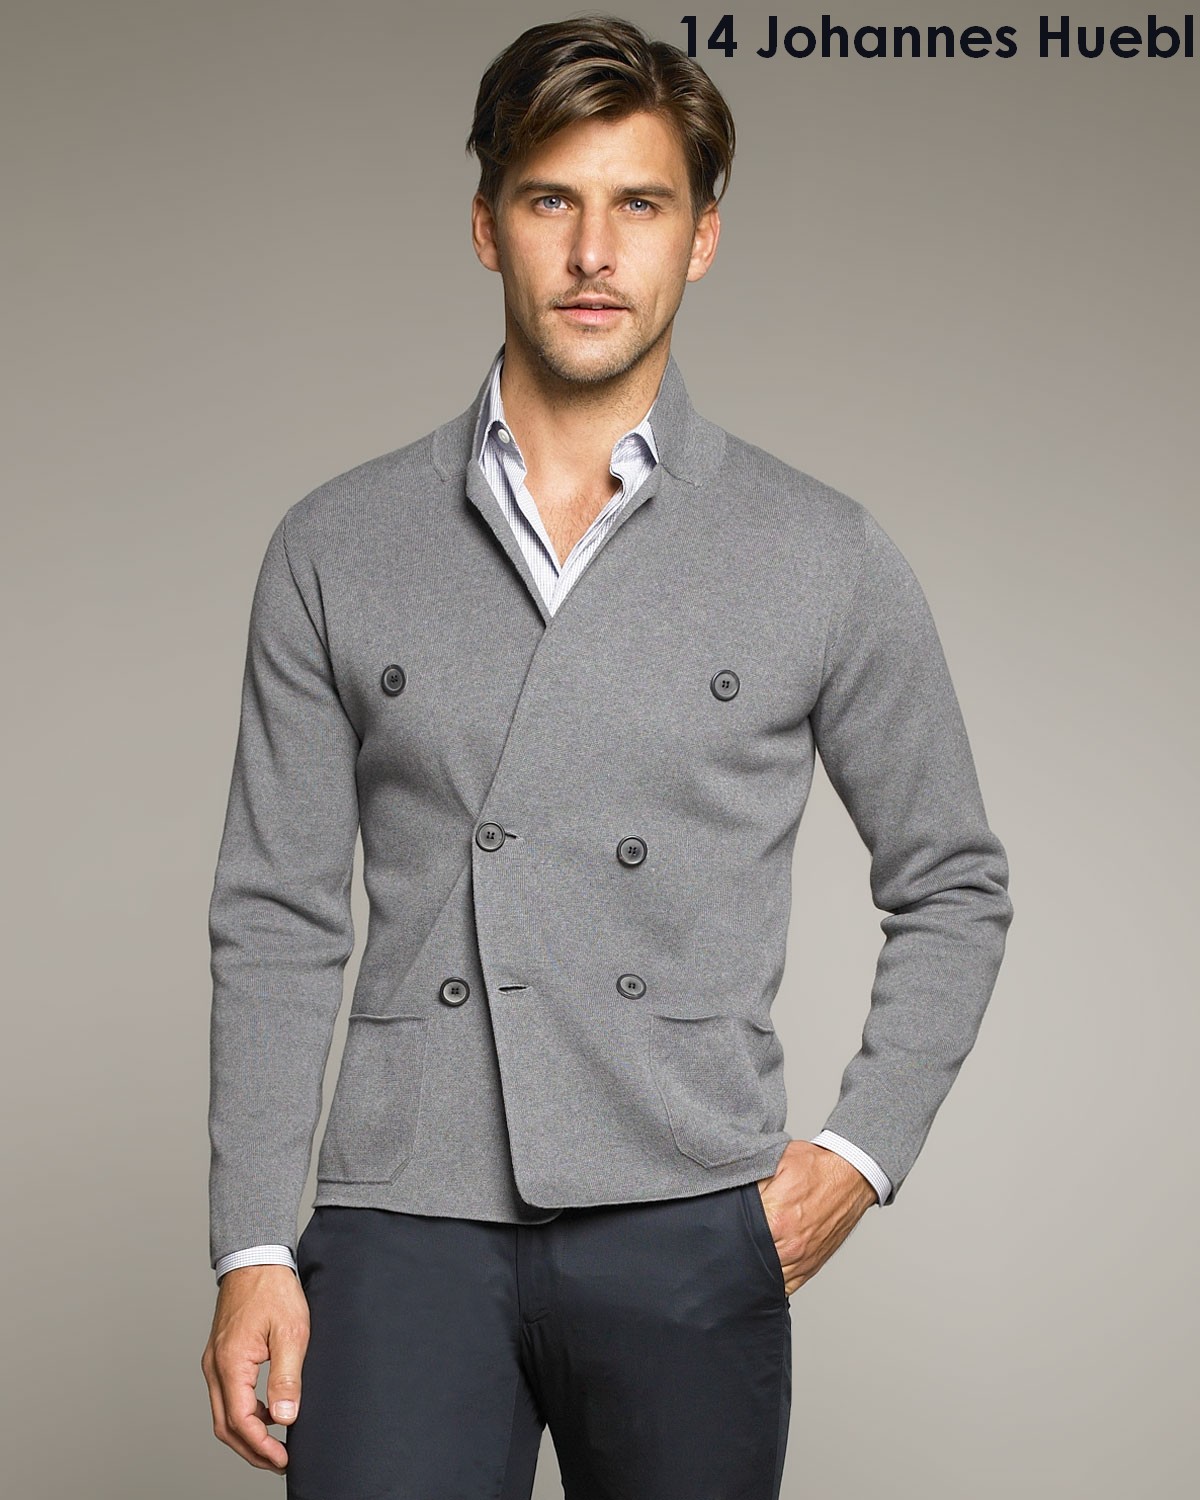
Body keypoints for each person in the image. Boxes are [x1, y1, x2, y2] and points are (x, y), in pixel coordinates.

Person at [201, 15, 1013, 1499]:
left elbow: (953, 882)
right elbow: (277, 913)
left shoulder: (819, 551)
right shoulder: (337, 543)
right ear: (485, 226)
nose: (593, 252)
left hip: (687, 1211)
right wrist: (253, 1240)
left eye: (639, 204)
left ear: (700, 239)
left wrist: (859, 1155)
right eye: (550, 200)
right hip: (401, 1217)